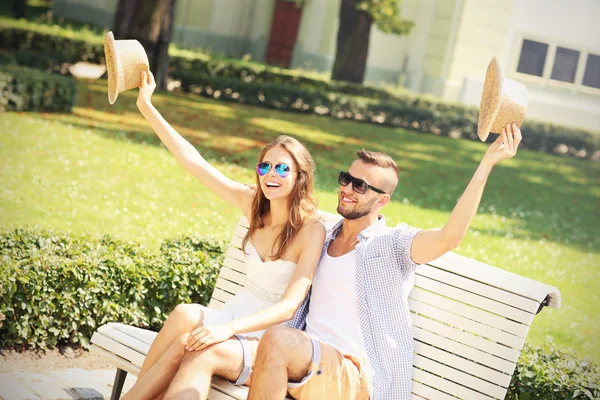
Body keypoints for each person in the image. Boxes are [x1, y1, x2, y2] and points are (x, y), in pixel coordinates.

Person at [246, 123, 522, 400]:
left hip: (351, 378)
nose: (347, 189)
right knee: (218, 350)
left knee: (277, 338)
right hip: (306, 363)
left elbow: (448, 238)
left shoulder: (392, 245)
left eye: (361, 186)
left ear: (383, 200)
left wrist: (485, 165)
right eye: (346, 178)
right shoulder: (324, 237)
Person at [122, 71, 326, 400]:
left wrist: (227, 330)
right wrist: (145, 105)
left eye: (282, 168)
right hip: (232, 312)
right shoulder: (253, 206)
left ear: (300, 175)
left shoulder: (310, 229)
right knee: (184, 315)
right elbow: (195, 163)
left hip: (264, 336)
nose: (270, 175)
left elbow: (289, 307)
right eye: (264, 167)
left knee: (188, 347)